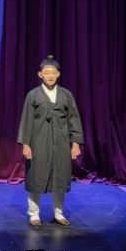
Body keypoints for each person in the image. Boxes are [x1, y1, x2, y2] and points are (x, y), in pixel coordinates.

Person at [18, 55, 84, 228]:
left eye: (53, 72)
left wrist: (75, 143)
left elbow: (73, 118)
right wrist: (26, 144)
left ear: (58, 74)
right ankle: (34, 214)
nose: (50, 76)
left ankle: (58, 212)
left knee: (60, 176)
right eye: (46, 73)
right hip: (38, 142)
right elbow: (26, 120)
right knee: (36, 176)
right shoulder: (33, 95)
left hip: (61, 142)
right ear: (40, 74)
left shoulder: (66, 95)